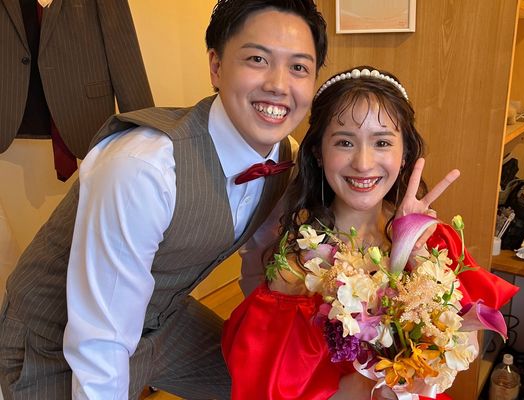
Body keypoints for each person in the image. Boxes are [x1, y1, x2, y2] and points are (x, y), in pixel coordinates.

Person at [0, 1, 327, 399]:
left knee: (269, 387)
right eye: (257, 59)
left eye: (299, 67)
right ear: (216, 66)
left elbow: (261, 260)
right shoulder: (143, 166)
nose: (278, 84)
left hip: (162, 319)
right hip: (55, 340)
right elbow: (100, 339)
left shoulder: (284, 157)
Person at [223, 66, 519, 399]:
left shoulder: (432, 240)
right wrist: (376, 383)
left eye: (381, 142)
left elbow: (466, 346)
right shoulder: (298, 270)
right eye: (345, 142)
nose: (363, 163)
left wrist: (416, 255)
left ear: (405, 153)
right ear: (318, 153)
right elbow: (270, 389)